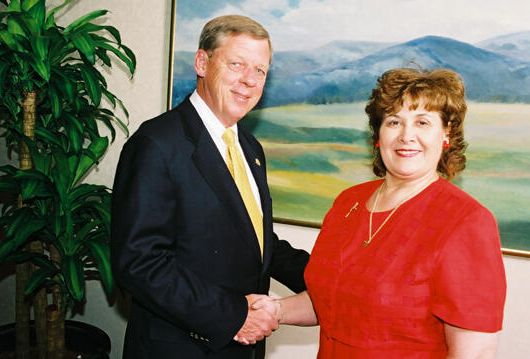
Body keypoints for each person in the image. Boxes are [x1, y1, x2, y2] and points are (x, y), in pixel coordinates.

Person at [254, 67, 507, 358]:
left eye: (423, 122)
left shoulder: (466, 221)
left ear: (446, 133)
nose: (406, 136)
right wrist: (275, 310)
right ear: (378, 134)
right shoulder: (348, 203)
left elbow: (474, 352)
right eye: (394, 122)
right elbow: (332, 299)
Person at [111, 15, 309, 359]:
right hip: (180, 349)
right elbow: (139, 263)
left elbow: (257, 242)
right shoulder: (156, 144)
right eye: (237, 64)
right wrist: (234, 316)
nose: (249, 80)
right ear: (202, 62)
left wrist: (331, 277)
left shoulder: (250, 148)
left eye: (260, 71)